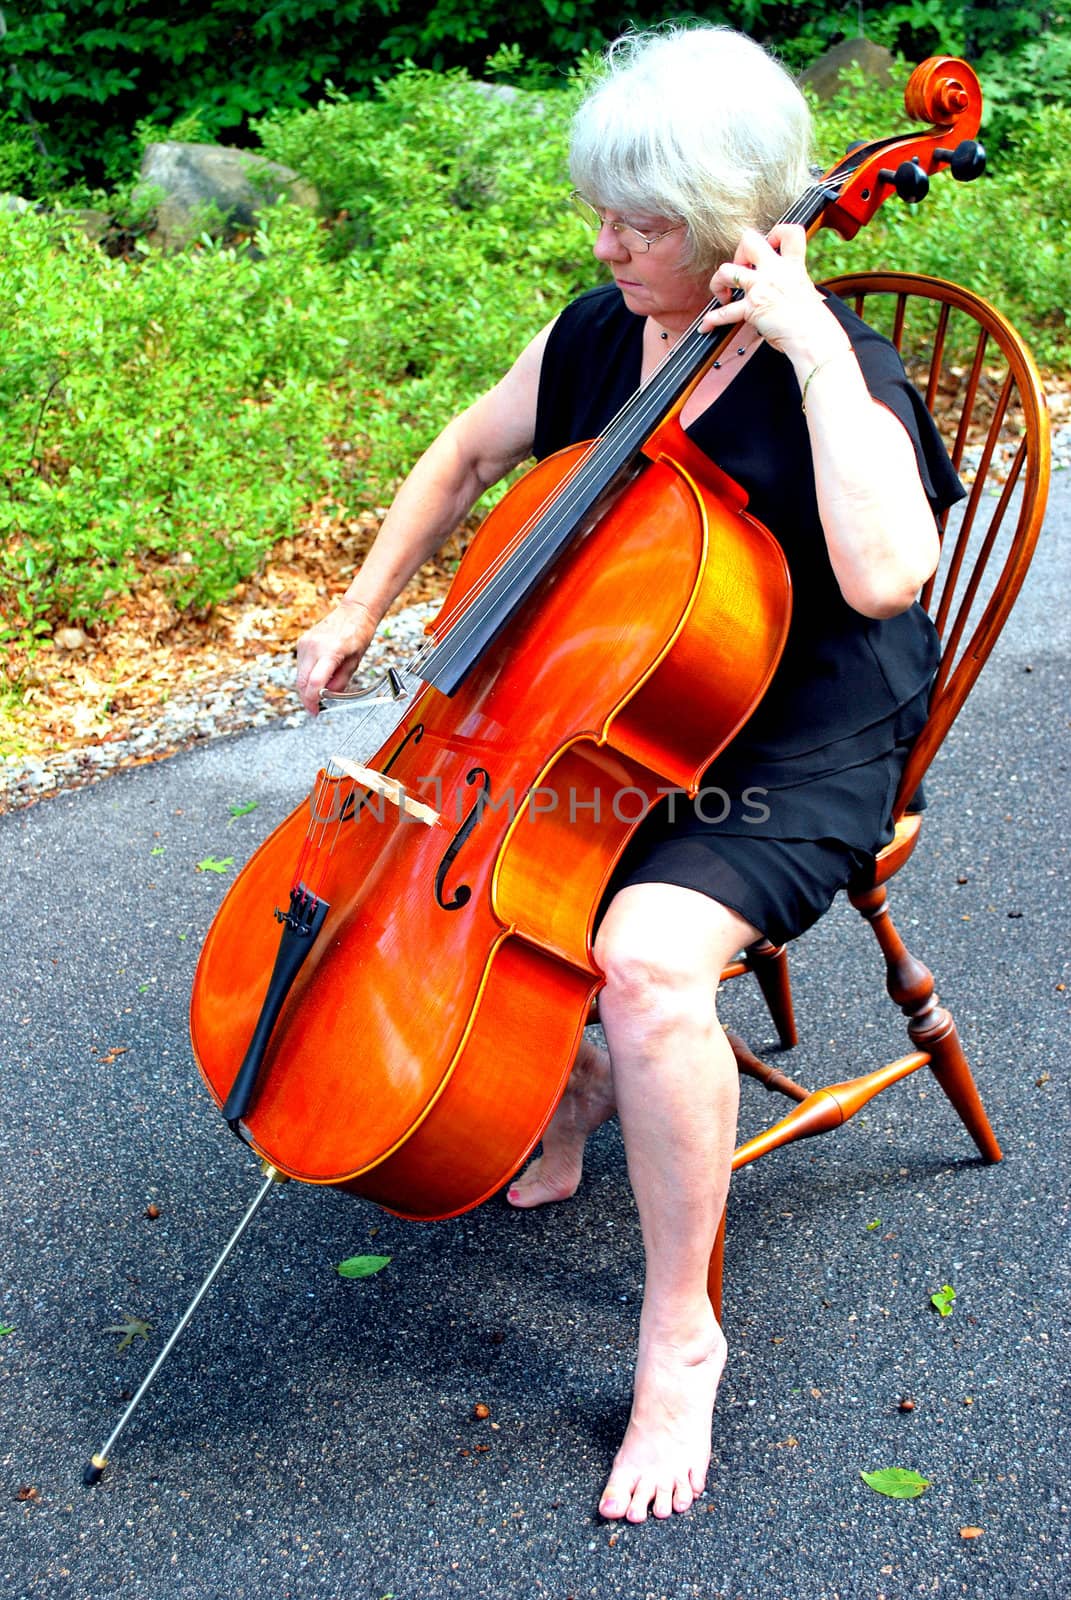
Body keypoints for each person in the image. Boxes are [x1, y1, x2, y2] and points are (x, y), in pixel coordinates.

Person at [295, 25, 961, 1524]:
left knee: (648, 956)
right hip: (624, 711)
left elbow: (883, 577)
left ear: (739, 222)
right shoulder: (605, 327)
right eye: (601, 210)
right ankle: (579, 1076)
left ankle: (681, 1335)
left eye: (644, 222)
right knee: (521, 870)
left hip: (793, 741)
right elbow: (467, 451)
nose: (608, 245)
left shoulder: (833, 367)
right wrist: (355, 609)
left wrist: (800, 343)